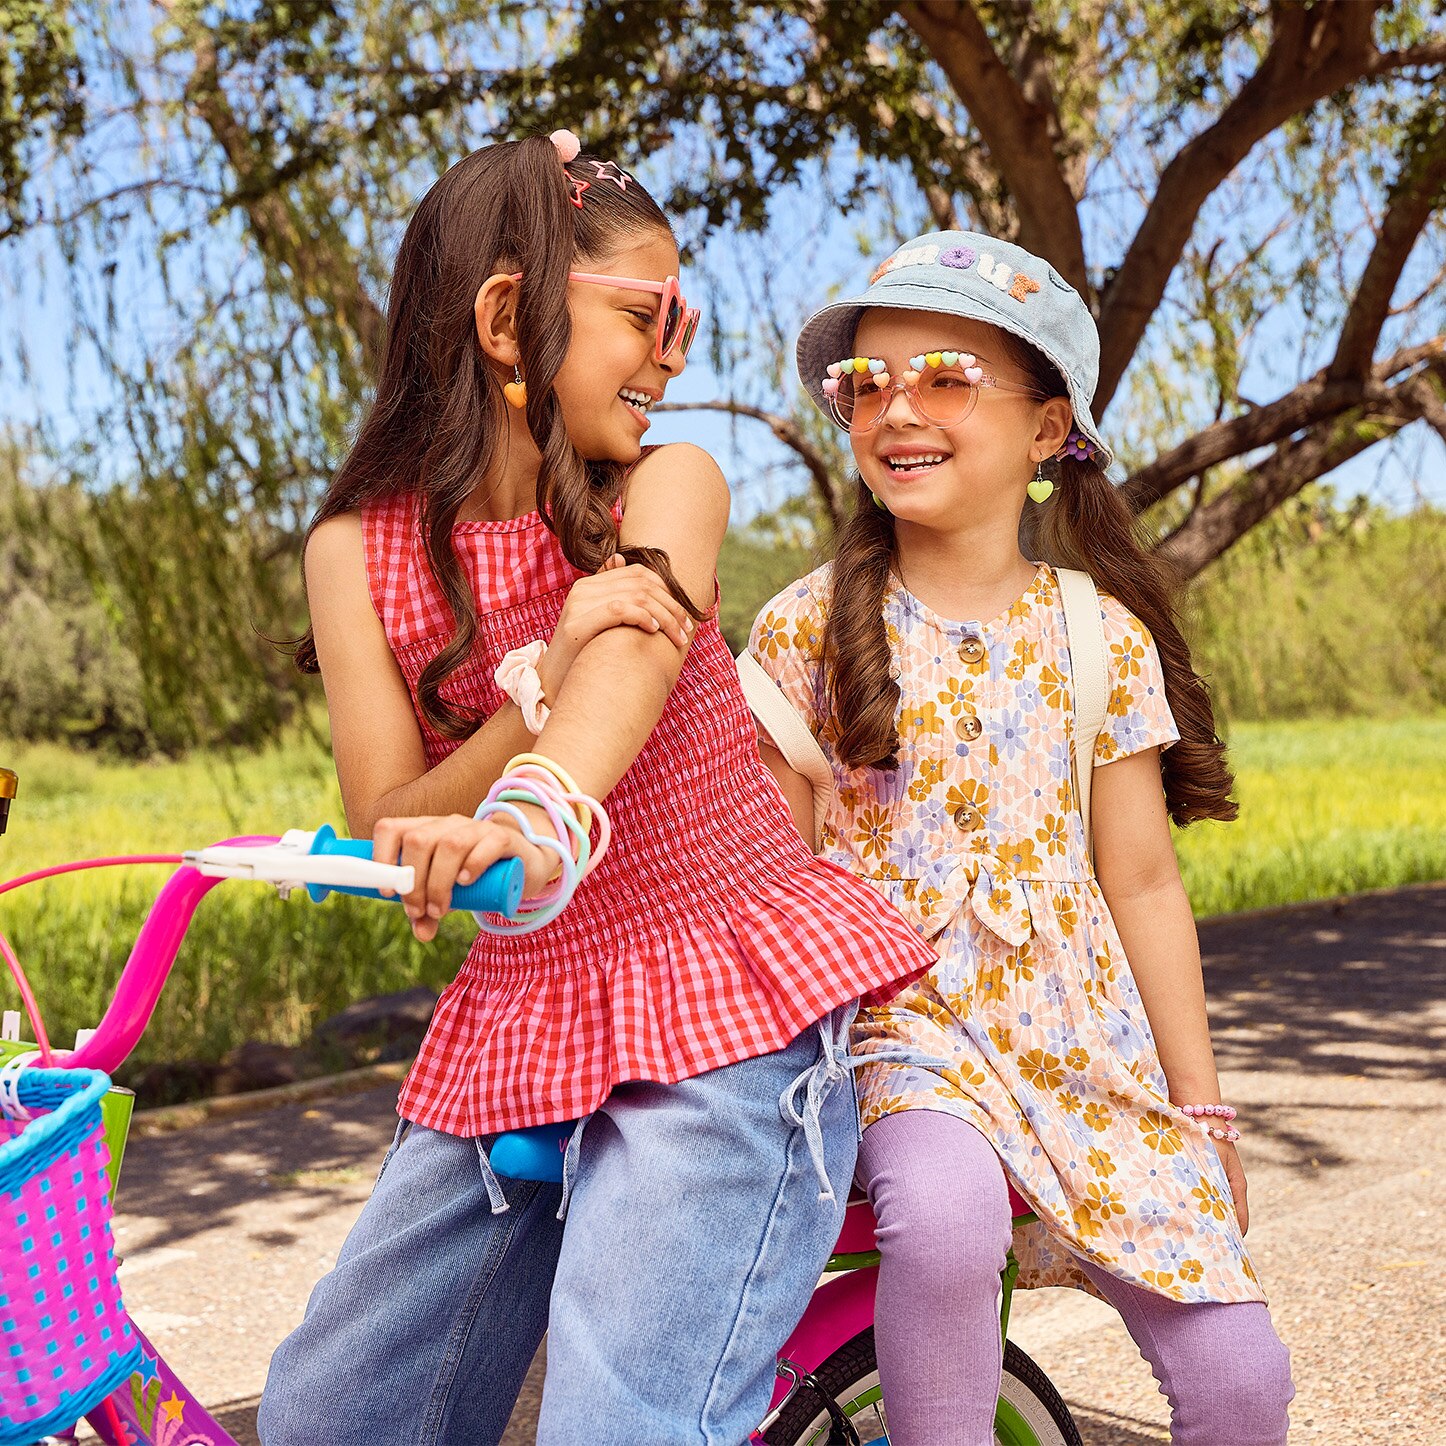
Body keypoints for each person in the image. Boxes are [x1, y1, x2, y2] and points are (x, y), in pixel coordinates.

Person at [256, 135, 935, 1446]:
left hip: (717, 995)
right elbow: (380, 818)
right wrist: (527, 680)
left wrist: (533, 804)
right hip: (518, 1019)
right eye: (641, 315)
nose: (671, 353)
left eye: (680, 320)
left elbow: (631, 652)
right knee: (336, 1410)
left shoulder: (664, 484)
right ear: (508, 319)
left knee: (621, 1420)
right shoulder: (354, 549)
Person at [749, 230, 1295, 1445]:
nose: (898, 407)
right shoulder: (809, 630)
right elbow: (766, 884)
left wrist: (1201, 1114)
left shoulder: (1101, 636)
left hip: (1080, 1048)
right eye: (868, 383)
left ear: (1049, 429)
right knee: (945, 1224)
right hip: (900, 1031)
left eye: (945, 375)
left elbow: (1143, 882)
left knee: (1244, 1381)